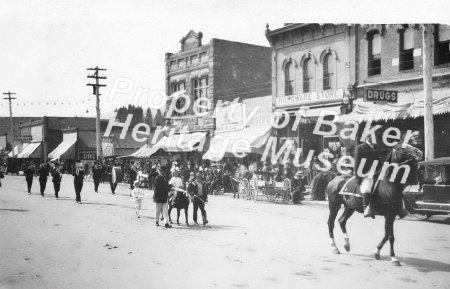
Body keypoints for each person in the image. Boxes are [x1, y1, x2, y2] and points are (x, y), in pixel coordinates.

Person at [354, 134, 381, 218]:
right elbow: (356, 164)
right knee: (367, 187)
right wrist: (358, 177)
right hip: (366, 172)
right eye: (371, 136)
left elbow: (378, 160)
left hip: (377, 171)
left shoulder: (375, 147)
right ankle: (366, 209)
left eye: (374, 136)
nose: (373, 138)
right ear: (367, 137)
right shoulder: (360, 147)